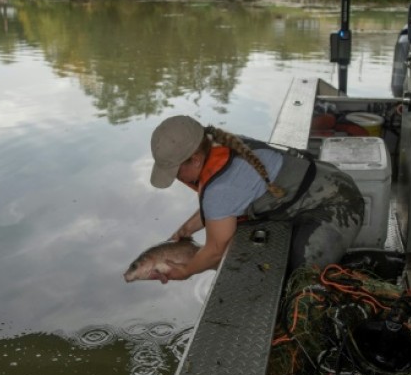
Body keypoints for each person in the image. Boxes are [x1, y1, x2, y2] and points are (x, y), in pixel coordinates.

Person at [148, 114, 365, 281]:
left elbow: (215, 251)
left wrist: (186, 270)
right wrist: (187, 229)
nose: (176, 178)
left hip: (337, 206)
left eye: (176, 172)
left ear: (195, 160)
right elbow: (228, 200)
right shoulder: (217, 143)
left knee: (300, 281)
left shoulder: (220, 190)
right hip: (328, 180)